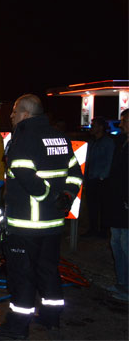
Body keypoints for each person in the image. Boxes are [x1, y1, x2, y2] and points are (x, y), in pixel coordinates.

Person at [0, 94, 83, 339]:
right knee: (49, 270)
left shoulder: (24, 136)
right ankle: (52, 319)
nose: (10, 116)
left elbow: (22, 172)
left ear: (26, 114)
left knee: (22, 276)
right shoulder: (61, 137)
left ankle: (17, 327)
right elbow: (75, 171)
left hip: (26, 225)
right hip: (53, 224)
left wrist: (48, 196)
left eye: (14, 112)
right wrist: (66, 195)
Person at [102, 109, 128, 301]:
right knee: (116, 242)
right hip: (117, 202)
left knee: (125, 244)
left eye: (125, 120)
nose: (122, 124)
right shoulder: (121, 142)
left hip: (126, 204)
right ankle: (121, 283)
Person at [82, 117, 114, 238]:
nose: (91, 128)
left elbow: (109, 160)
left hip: (101, 180)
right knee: (92, 206)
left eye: (94, 125)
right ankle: (93, 229)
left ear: (100, 127)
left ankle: (103, 231)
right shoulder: (92, 142)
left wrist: (102, 177)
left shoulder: (107, 142)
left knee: (103, 206)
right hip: (91, 178)